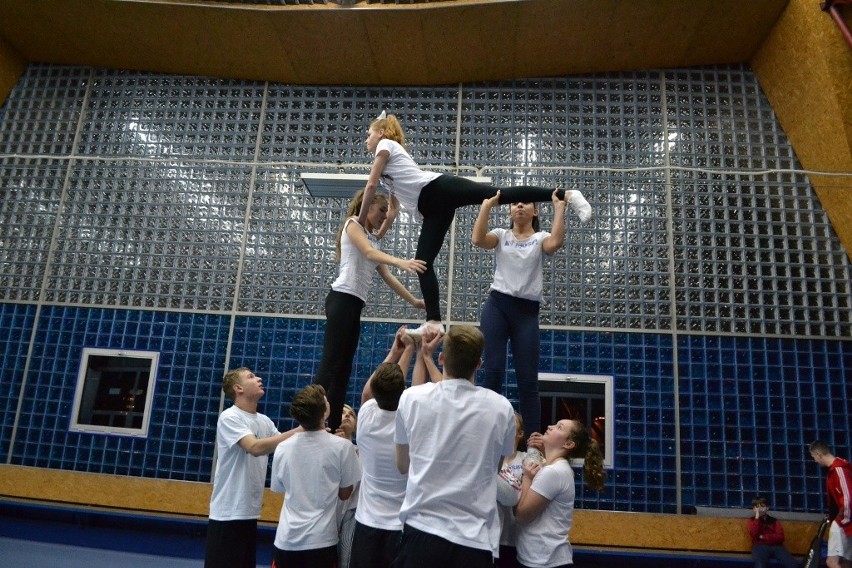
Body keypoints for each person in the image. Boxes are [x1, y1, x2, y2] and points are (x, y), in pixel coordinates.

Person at [358, 112, 592, 336]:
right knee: (422, 263)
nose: (367, 140)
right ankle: (434, 322)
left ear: (381, 132)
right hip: (430, 210)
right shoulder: (390, 173)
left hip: (437, 190)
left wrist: (359, 221)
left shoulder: (385, 146)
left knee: (496, 195)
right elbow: (394, 209)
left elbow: (370, 186)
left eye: (369, 134)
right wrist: (377, 236)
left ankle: (566, 195)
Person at [394, 324, 517, 568]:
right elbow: (495, 468)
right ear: (478, 364)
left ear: (442, 357)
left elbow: (402, 465)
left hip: (421, 532)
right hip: (474, 540)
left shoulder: (411, 399)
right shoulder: (502, 408)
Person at [314, 188, 426, 434]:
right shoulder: (352, 225)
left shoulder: (372, 238)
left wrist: (414, 301)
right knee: (330, 363)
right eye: (381, 210)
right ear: (368, 206)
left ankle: (331, 428)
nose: (383, 217)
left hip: (354, 305)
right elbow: (368, 252)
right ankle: (310, 421)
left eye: (386, 212)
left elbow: (387, 277)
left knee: (344, 368)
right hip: (341, 299)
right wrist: (401, 260)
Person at [472, 190, 567, 435]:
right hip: (498, 306)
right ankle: (485, 434)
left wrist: (559, 206)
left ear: (535, 211)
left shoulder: (541, 238)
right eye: (514, 203)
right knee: (493, 370)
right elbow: (478, 239)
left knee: (527, 381)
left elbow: (555, 243)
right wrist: (486, 206)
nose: (520, 205)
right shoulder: (501, 235)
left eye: (526, 203)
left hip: (526, 312)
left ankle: (534, 444)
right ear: (510, 211)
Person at [350, 325, 440, 568]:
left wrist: (399, 350)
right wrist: (419, 350)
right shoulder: (411, 419)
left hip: (367, 523)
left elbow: (377, 388)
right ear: (403, 392)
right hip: (400, 525)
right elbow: (417, 390)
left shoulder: (367, 415)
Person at [204, 367, 302, 568]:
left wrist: (319, 437)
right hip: (228, 513)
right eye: (251, 376)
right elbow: (254, 447)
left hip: (249, 512)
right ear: (238, 388)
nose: (258, 378)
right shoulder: (230, 417)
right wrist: (301, 430)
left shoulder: (264, 421)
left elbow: (285, 447)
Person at [270, 384, 361, 568]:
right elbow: (345, 494)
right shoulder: (342, 447)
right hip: (321, 540)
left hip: (286, 539)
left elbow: (279, 488)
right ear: (324, 412)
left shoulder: (283, 447)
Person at [515, 420, 606, 568]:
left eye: (559, 427)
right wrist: (540, 451)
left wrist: (527, 477)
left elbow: (522, 516)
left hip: (544, 560)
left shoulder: (553, 472)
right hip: (540, 557)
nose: (550, 426)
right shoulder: (552, 468)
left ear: (568, 444)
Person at [809, 440, 852, 568]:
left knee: (832, 562)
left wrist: (842, 521)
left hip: (844, 522)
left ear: (818, 454)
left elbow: (848, 498)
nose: (815, 461)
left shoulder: (839, 470)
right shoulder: (834, 472)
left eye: (813, 457)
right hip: (846, 521)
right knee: (846, 563)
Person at [495, 412, 527, 568]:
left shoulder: (526, 459)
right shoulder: (490, 458)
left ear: (520, 433)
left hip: (514, 538)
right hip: (492, 537)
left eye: (511, 423)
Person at [336, 404, 359, 568]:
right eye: (343, 413)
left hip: (350, 515)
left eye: (351, 414)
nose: (347, 415)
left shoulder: (362, 451)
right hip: (326, 514)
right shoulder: (322, 447)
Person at [746, 496, 798, 568]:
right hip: (760, 546)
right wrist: (757, 517)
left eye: (762, 507)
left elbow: (780, 538)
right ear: (754, 509)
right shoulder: (752, 521)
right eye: (757, 507)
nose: (760, 509)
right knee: (760, 566)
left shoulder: (774, 521)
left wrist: (763, 536)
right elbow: (754, 534)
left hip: (777, 547)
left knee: (793, 565)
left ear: (767, 508)